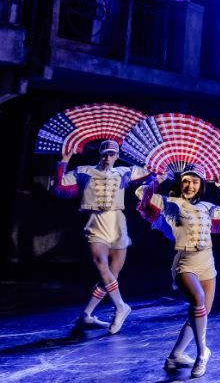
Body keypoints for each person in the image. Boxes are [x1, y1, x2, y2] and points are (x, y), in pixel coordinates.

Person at [135, 164, 220, 377]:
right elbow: (141, 195)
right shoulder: (172, 204)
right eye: (186, 181)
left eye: (195, 182)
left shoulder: (207, 207)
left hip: (207, 262)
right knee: (198, 301)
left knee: (200, 312)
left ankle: (176, 355)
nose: (190, 185)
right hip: (185, 263)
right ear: (180, 183)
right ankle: (203, 353)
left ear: (201, 185)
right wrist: (158, 180)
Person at [49, 140, 154, 333]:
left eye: (112, 154)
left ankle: (86, 315)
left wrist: (157, 159)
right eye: (105, 154)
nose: (108, 158)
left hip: (117, 222)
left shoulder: (124, 172)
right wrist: (64, 160)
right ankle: (121, 307)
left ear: (117, 156)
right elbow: (59, 184)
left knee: (111, 276)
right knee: (101, 266)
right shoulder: (84, 171)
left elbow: (151, 171)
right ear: (100, 154)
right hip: (95, 221)